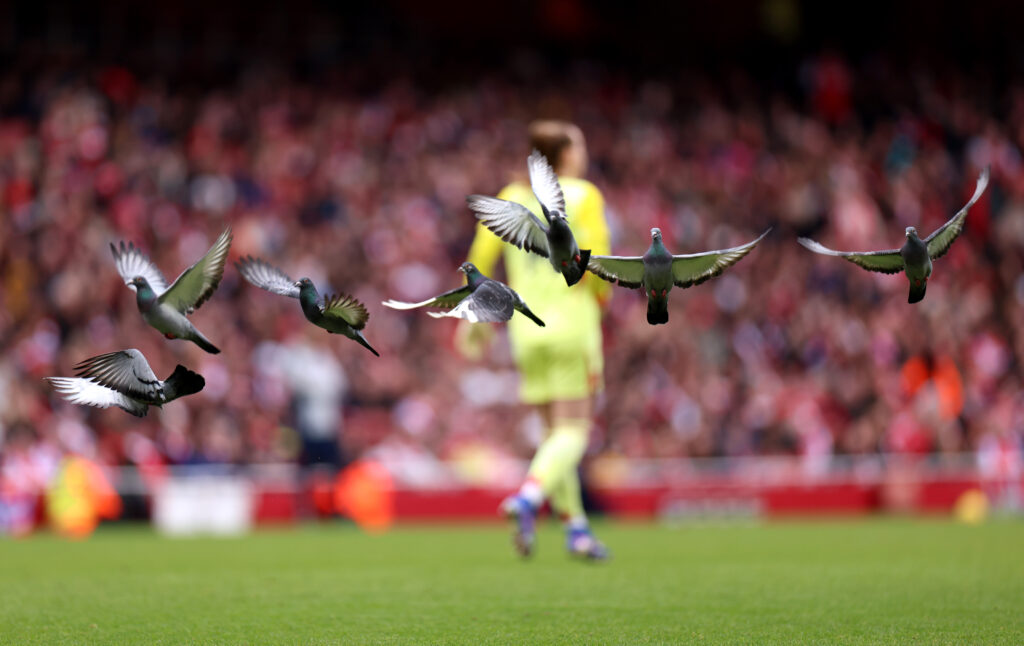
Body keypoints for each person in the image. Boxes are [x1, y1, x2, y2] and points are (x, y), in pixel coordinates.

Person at [458, 120, 611, 559]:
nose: (583, 153)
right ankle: (527, 498)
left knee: (552, 436)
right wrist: (599, 303)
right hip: (573, 325)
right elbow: (595, 263)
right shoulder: (583, 194)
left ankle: (576, 530)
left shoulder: (511, 197)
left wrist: (471, 319)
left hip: (526, 330)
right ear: (565, 155)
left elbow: (480, 259)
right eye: (578, 145)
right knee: (574, 431)